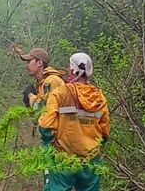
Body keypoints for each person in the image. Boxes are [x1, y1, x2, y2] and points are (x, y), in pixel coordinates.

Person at [38, 52, 110, 191]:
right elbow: (105, 133)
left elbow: (45, 125)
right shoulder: (99, 98)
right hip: (90, 161)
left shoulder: (60, 93)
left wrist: (52, 142)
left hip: (63, 159)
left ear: (72, 69)